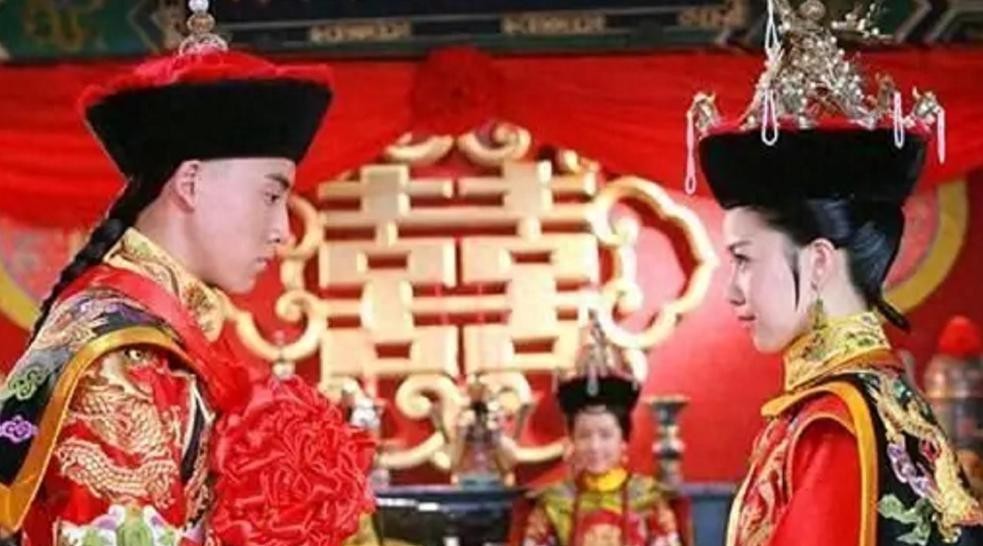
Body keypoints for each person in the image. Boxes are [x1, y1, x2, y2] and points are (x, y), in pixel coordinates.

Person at [0, 3, 372, 546]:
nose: (282, 231)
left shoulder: (161, 332)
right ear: (190, 184)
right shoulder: (124, 362)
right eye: (271, 195)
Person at [685, 0, 983, 544]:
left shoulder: (833, 425)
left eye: (744, 258)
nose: (732, 291)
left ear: (819, 260)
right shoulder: (884, 399)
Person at [520, 311, 684, 546]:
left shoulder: (648, 500)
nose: (595, 446)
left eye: (605, 435)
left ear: (623, 440)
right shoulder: (554, 504)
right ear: (571, 440)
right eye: (584, 435)